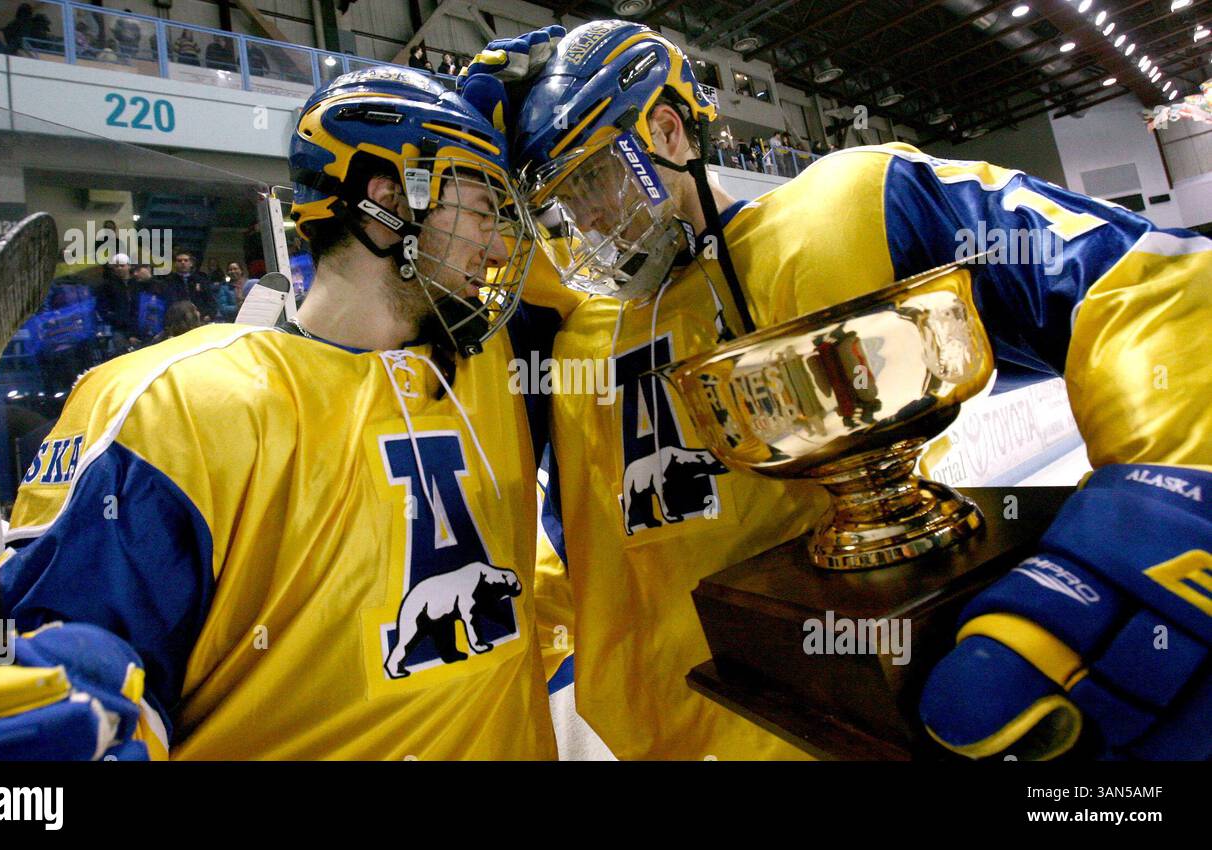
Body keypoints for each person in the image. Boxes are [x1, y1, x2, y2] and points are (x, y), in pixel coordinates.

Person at [466, 20, 1212, 760]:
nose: (589, 219)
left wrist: (1168, 489)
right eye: (565, 199)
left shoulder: (842, 213)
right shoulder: (576, 340)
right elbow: (587, 543)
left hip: (853, 719)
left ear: (666, 132)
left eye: (596, 177)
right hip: (668, 737)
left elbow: (1146, 281)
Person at [0, 67, 559, 760]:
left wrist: (546, 107)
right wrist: (80, 704)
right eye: (482, 211)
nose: (496, 246)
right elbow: (83, 656)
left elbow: (631, 279)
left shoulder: (496, 357)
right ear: (390, 198)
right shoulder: (179, 407)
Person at [159, 250, 215, 318]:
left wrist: (209, 315)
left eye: (186, 260)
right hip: (177, 319)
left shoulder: (201, 280)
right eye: (179, 261)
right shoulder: (168, 282)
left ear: (191, 263)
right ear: (175, 264)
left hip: (200, 318)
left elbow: (210, 300)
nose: (183, 262)